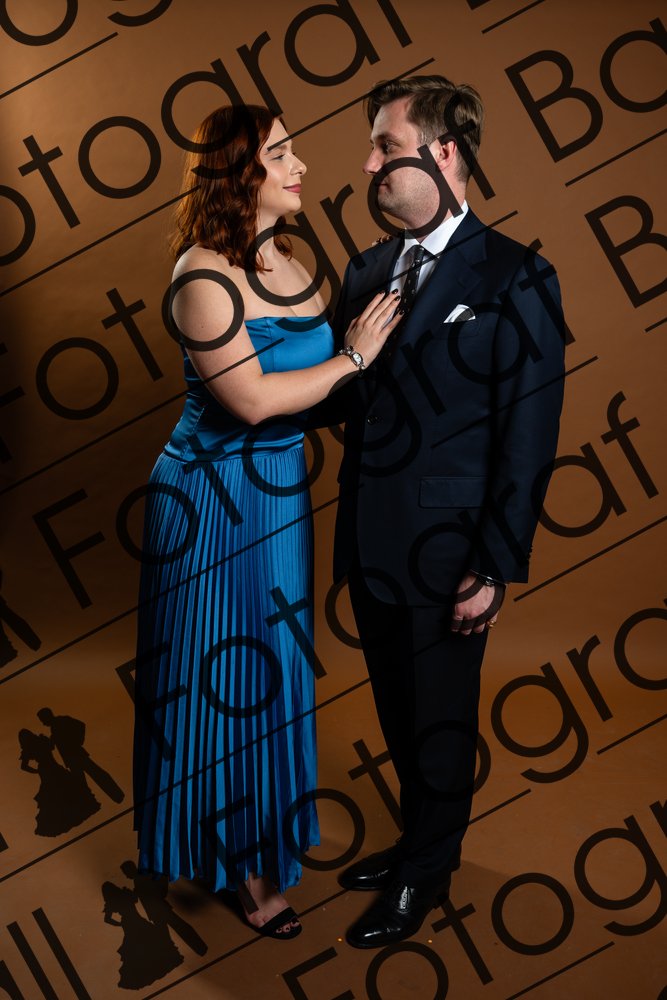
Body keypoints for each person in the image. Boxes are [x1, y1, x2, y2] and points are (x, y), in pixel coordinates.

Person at [132, 104, 399, 940]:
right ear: (238, 172)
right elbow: (251, 400)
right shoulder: (200, 274)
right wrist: (353, 355)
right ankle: (240, 870)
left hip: (278, 497)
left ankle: (256, 847)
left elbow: (316, 394)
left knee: (275, 672)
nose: (300, 167)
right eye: (280, 153)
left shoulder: (290, 261)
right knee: (225, 678)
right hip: (209, 503)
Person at [329, 75, 565, 948]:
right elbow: (338, 396)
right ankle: (414, 845)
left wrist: (494, 564)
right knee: (398, 709)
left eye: (385, 147)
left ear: (445, 153)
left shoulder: (516, 273)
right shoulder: (364, 270)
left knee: (438, 720)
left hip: (451, 550)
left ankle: (425, 874)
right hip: (370, 538)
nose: (368, 167)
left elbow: (528, 434)